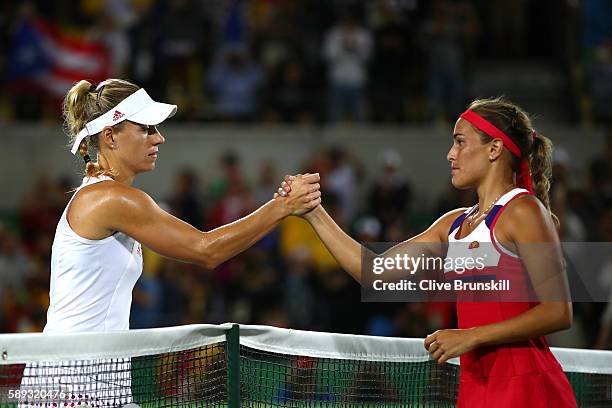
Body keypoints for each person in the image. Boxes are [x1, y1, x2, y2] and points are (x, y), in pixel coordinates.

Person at [278, 97, 577, 407]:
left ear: (494, 149)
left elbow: (557, 311)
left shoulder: (524, 210)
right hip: (476, 386)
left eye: (460, 142)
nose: (451, 154)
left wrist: (470, 336)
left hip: (528, 387)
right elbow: (373, 272)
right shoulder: (453, 223)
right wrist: (314, 210)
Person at [45, 78, 321, 334]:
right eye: (146, 129)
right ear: (110, 137)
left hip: (87, 371)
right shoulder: (111, 199)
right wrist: (283, 205)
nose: (159, 138)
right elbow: (207, 250)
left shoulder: (104, 196)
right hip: (74, 376)